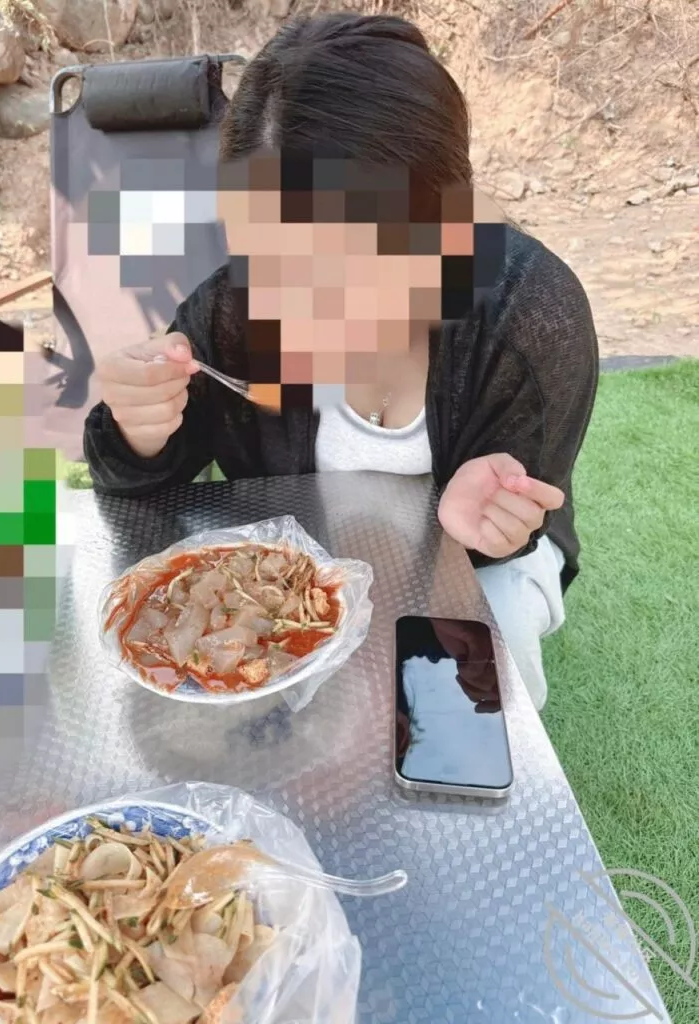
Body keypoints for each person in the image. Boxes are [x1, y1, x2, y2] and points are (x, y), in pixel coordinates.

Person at [84, 12, 599, 711]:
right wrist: (139, 429)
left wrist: (483, 524)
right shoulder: (231, 313)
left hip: (474, 564)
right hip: (300, 564)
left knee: (468, 691)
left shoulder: (528, 321)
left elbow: (508, 539)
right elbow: (142, 494)